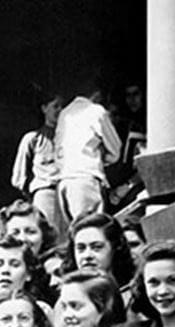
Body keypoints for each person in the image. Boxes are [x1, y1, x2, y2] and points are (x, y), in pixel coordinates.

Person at [55, 78, 121, 229]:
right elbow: (115, 148)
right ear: (98, 95)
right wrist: (105, 157)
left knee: (73, 234)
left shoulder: (64, 113)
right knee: (91, 230)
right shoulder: (96, 111)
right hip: (86, 179)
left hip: (64, 181)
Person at [11, 90, 63, 228]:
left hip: (67, 194)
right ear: (44, 108)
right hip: (46, 193)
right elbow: (19, 177)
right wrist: (34, 195)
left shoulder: (70, 138)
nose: (60, 110)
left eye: (62, 107)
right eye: (56, 106)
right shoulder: (32, 139)